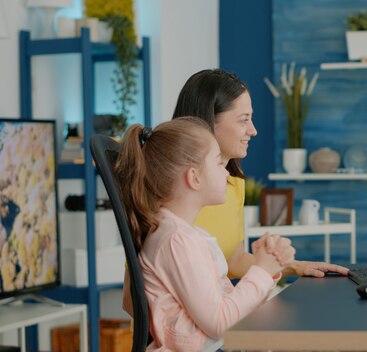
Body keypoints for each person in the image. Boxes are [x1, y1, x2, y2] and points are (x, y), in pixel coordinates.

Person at [115, 117, 296, 351]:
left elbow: (227, 307)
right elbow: (219, 324)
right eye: (219, 164)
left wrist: (265, 268)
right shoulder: (177, 241)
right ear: (195, 177)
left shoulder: (185, 234)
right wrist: (261, 271)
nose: (227, 174)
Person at [171, 69, 349, 278]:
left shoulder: (232, 184)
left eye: (251, 119)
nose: (253, 130)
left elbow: (234, 261)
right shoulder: (166, 190)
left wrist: (293, 265)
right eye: (243, 120)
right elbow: (137, 292)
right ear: (208, 121)